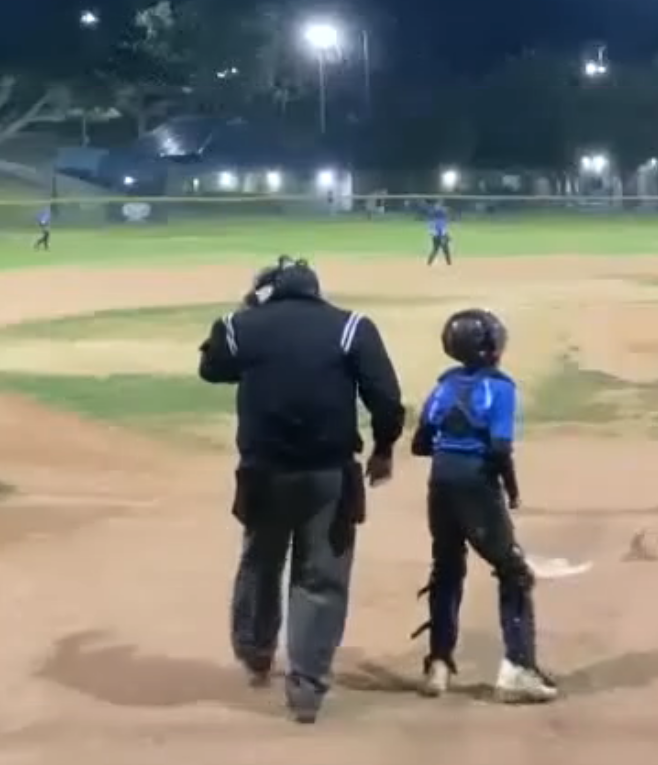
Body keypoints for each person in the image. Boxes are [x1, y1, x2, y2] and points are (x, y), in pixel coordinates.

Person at [197, 257, 407, 724]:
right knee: (322, 577)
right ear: (316, 291)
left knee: (261, 560)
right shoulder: (352, 327)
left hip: (263, 472)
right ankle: (307, 689)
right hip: (329, 473)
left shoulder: (241, 326)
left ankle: (256, 653)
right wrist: (383, 449)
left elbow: (212, 368)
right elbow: (387, 400)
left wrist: (250, 310)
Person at [411, 308, 558, 704]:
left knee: (446, 567)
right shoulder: (500, 388)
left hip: (440, 483)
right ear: (490, 347)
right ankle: (518, 669)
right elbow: (499, 448)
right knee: (514, 571)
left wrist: (451, 443)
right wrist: (511, 489)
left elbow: (420, 443)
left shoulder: (444, 385)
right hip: (475, 485)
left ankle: (438, 663)